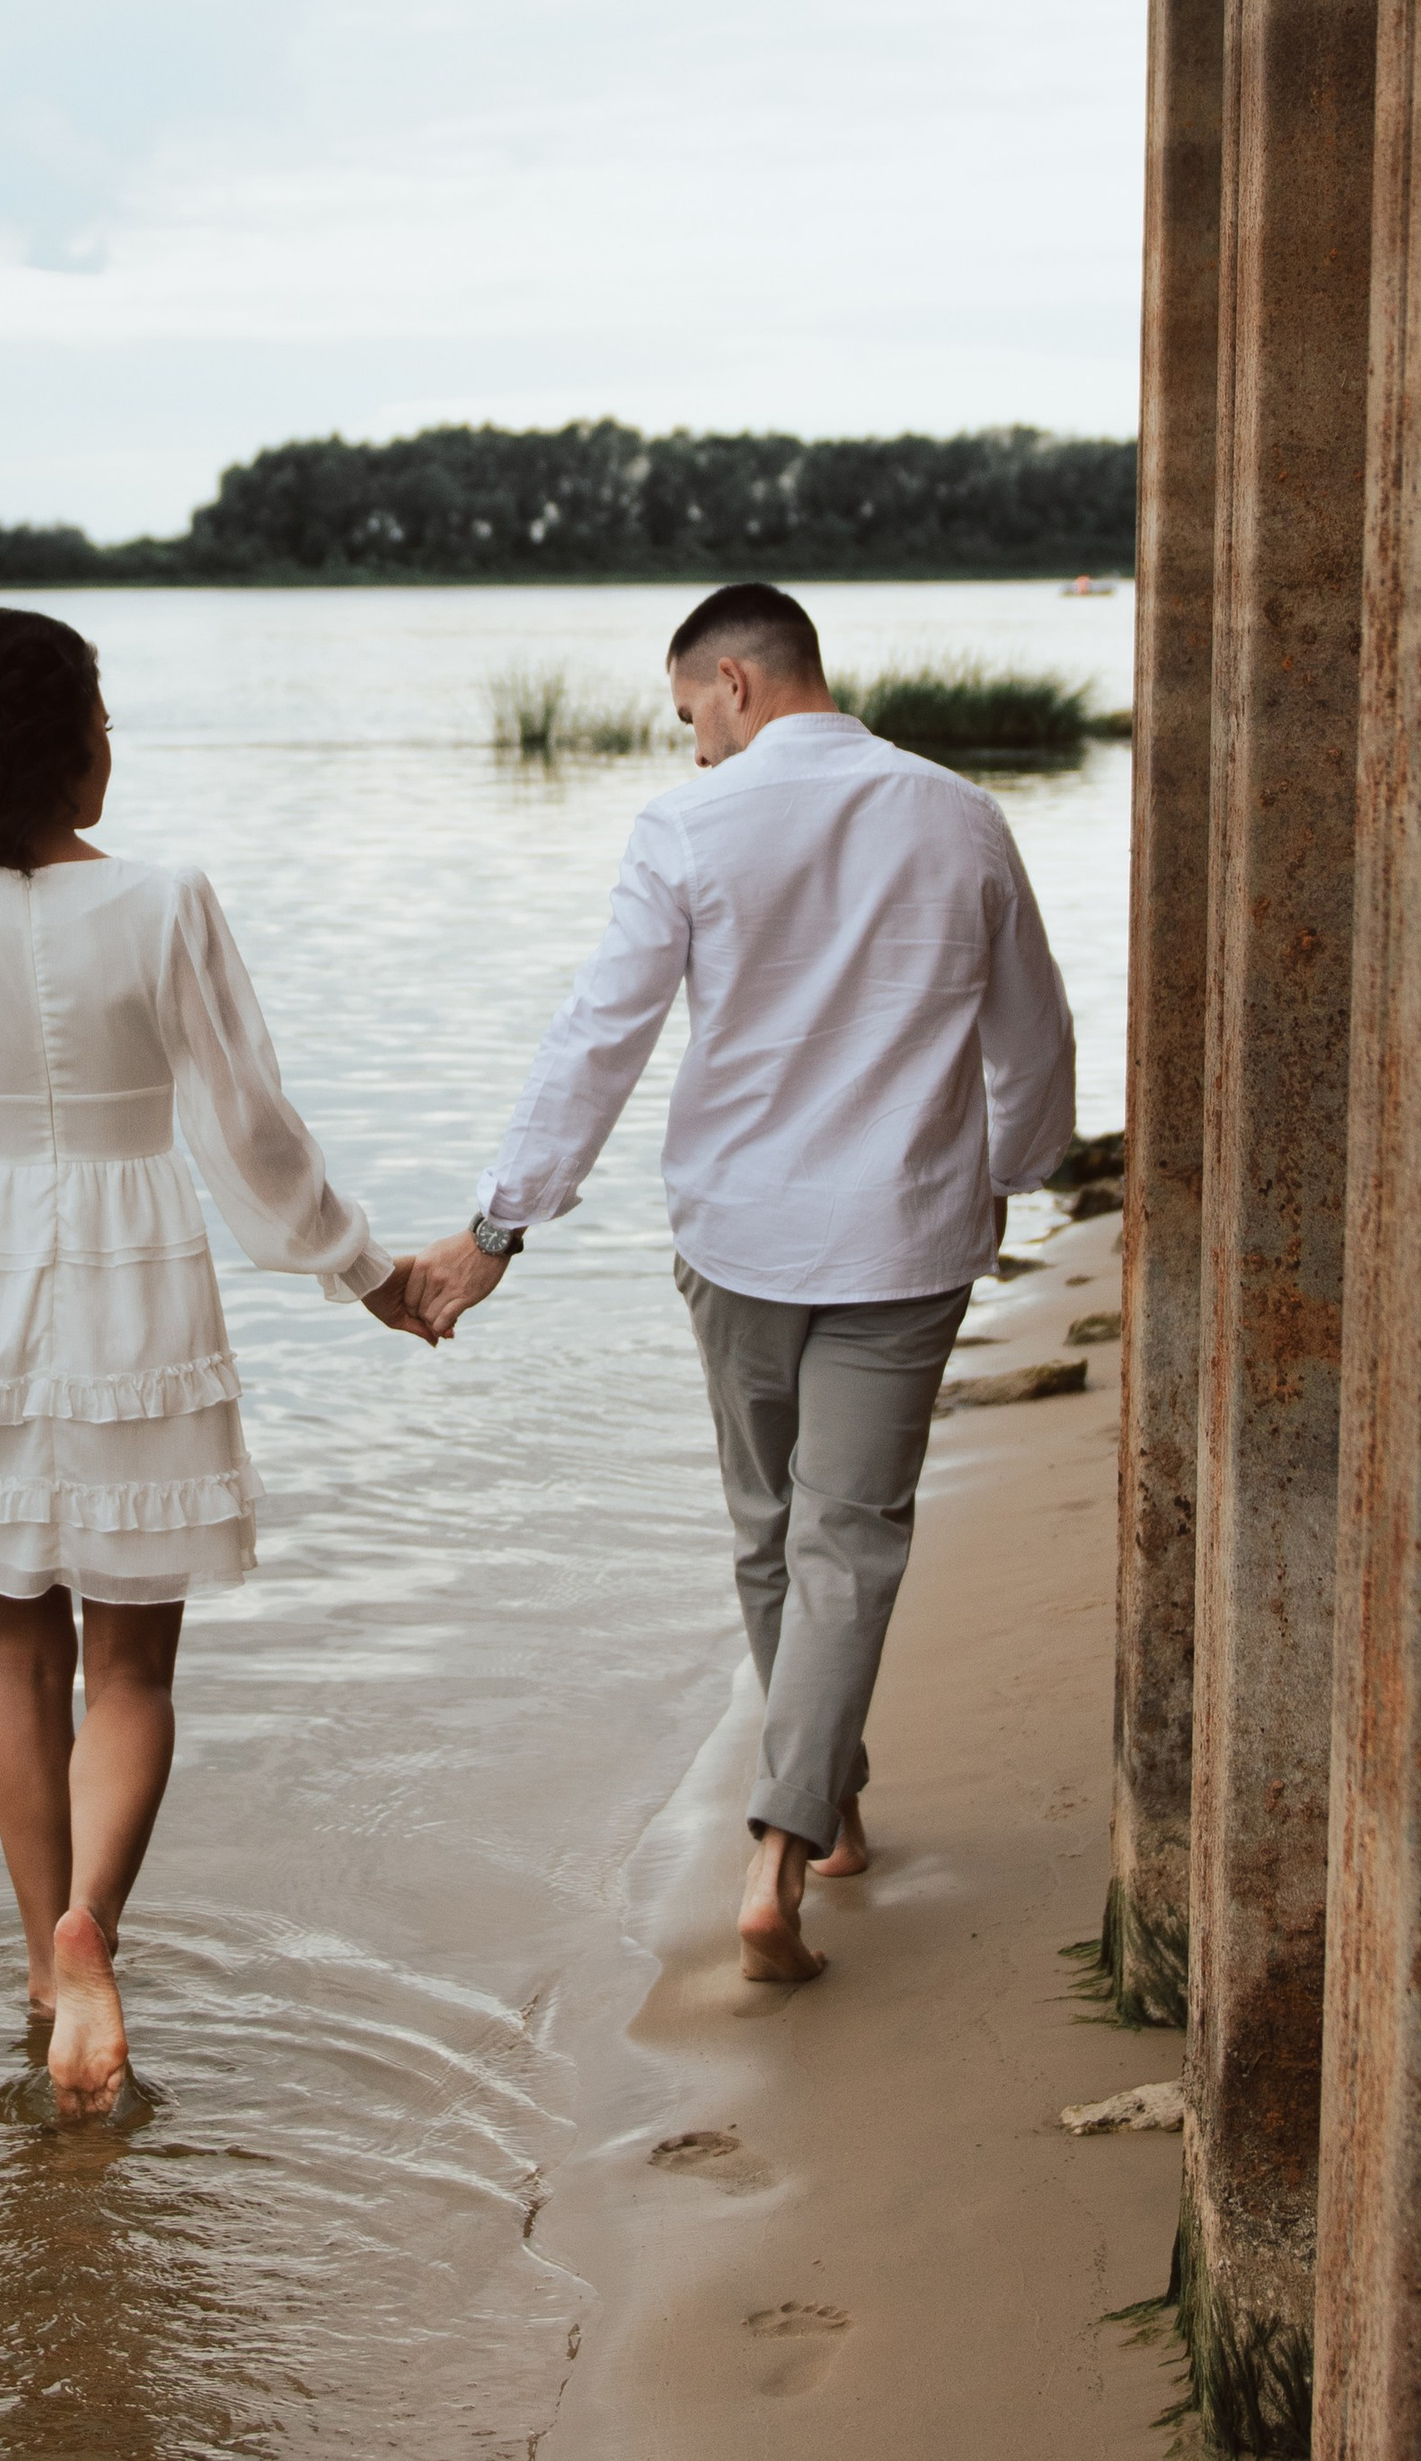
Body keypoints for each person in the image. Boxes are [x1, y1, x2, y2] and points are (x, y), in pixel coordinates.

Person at [406, 581, 1074, 1984]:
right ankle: (807, 1822)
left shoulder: (694, 826)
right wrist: (1011, 1173)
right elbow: (1033, 1035)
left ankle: (794, 1835)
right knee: (852, 1535)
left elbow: (603, 1033)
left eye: (688, 718)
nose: (692, 747)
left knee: (773, 1531)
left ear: (736, 681)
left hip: (741, 1237)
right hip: (904, 1238)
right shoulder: (963, 816)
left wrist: (500, 1227)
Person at [0, 606, 432, 2114]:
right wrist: (364, 1270)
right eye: (101, 718)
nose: (112, 748)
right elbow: (253, 1125)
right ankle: (99, 1921)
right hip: (133, 1282)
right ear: (68, 742)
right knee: (132, 1668)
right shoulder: (165, 900)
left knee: (18, 1658)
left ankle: (41, 1969)